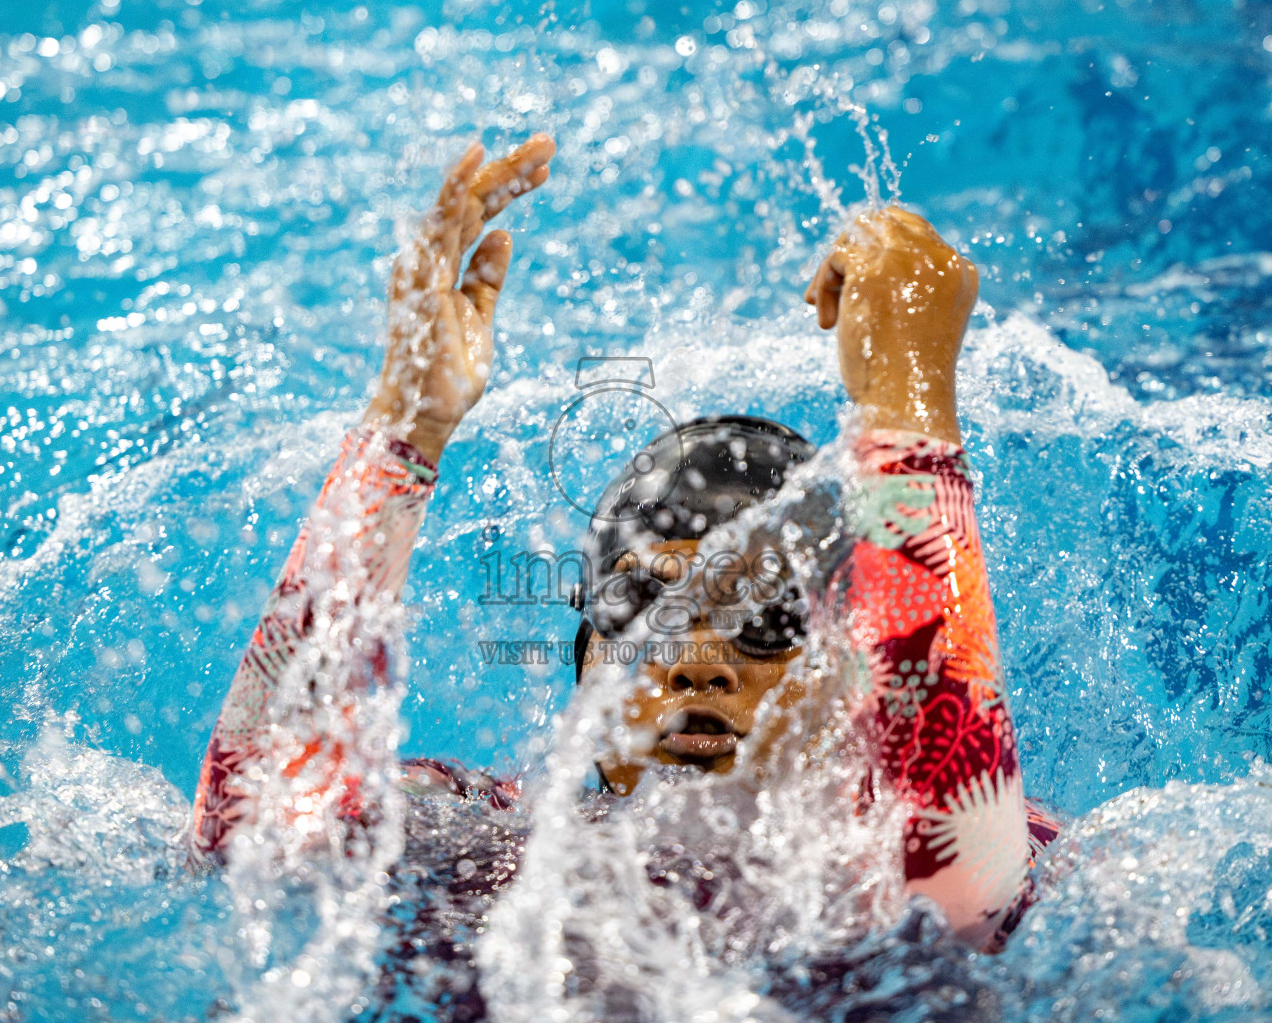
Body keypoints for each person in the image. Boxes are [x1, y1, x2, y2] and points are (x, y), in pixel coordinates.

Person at [188, 134, 1058, 961]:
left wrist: (908, 423)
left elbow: (963, 912)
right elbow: (254, 832)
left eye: (765, 616)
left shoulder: (947, 847)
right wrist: (403, 431)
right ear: (587, 671)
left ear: (850, 671)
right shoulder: (486, 831)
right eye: (644, 610)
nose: (698, 666)